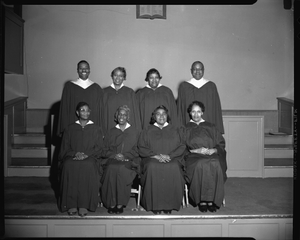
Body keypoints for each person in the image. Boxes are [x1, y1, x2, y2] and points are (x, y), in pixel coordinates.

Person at [59, 102, 105, 217]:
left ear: (90, 112)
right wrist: (76, 153)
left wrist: (86, 154)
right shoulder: (70, 129)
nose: (85, 112)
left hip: (90, 158)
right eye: (82, 110)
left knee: (88, 165)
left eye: (87, 110)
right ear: (77, 112)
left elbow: (99, 148)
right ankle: (71, 204)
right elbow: (65, 148)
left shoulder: (96, 128)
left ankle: (84, 204)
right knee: (68, 165)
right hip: (72, 157)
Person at [138, 105, 186, 214]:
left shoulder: (175, 129)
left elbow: (182, 146)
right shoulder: (147, 130)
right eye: (158, 114)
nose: (161, 116)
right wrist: (155, 156)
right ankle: (154, 205)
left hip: (172, 159)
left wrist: (170, 156)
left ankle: (170, 205)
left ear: (167, 116)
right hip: (152, 159)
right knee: (152, 167)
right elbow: (141, 147)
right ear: (154, 117)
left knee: (174, 167)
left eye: (164, 114)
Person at [184, 101, 227, 213]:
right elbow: (181, 146)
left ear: (202, 112)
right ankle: (202, 200)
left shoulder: (211, 126)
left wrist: (214, 149)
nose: (196, 114)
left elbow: (221, 143)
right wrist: (195, 150)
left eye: (198, 111)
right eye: (193, 111)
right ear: (190, 113)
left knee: (215, 163)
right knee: (201, 164)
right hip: (193, 156)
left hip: (212, 154)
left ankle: (212, 200)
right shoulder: (185, 128)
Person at [100, 105, 141, 214]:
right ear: (116, 116)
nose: (122, 116)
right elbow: (103, 149)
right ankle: (111, 202)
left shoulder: (135, 132)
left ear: (128, 117)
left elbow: (138, 149)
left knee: (122, 169)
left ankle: (120, 203)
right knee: (111, 169)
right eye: (120, 114)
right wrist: (114, 155)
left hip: (129, 161)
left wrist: (125, 156)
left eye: (124, 114)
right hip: (112, 160)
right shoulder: (111, 132)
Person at [57, 60, 104, 137]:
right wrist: (64, 130)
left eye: (86, 68)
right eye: (81, 68)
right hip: (73, 128)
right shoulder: (69, 87)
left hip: (91, 129)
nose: (84, 70)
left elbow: (100, 112)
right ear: (77, 70)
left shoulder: (96, 88)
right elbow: (64, 109)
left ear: (89, 70)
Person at [177, 61, 224, 134]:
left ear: (203, 70)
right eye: (195, 69)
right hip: (189, 129)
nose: (197, 71)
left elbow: (216, 109)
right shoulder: (184, 87)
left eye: (200, 69)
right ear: (191, 71)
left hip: (208, 129)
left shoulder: (211, 86)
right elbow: (180, 110)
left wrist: (219, 130)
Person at [102, 67, 141, 134]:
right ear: (112, 76)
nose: (117, 78)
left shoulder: (130, 92)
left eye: (121, 76)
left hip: (126, 130)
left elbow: (134, 114)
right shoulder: (104, 92)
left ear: (124, 78)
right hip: (109, 128)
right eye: (115, 75)